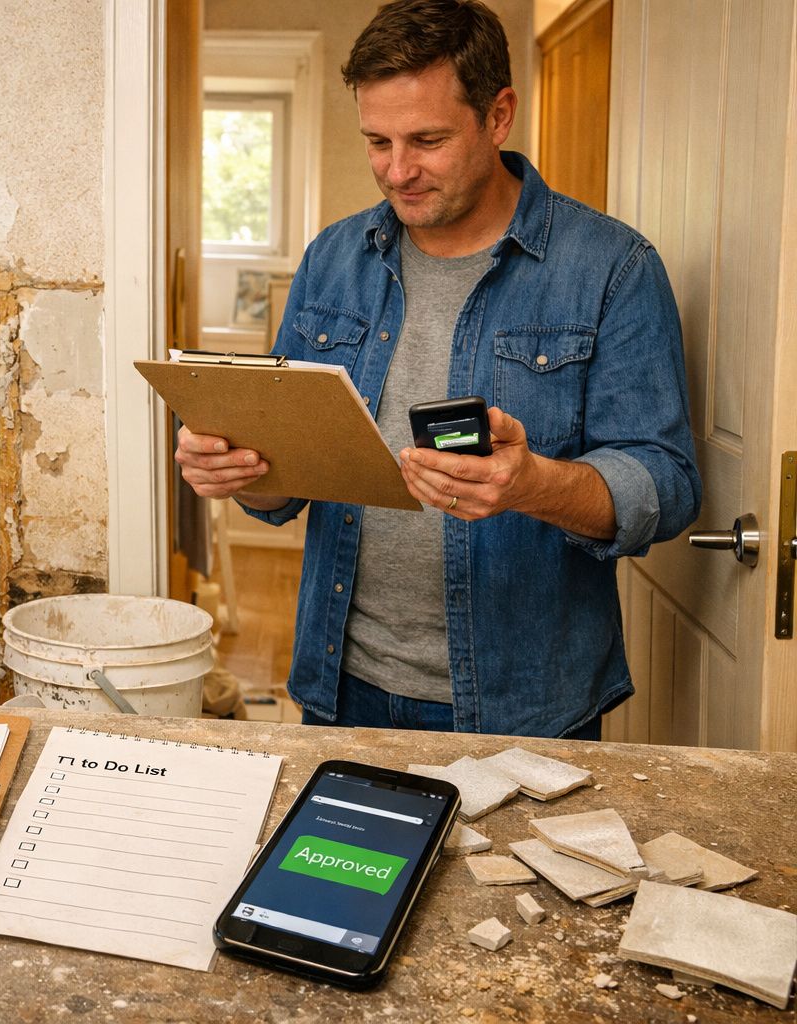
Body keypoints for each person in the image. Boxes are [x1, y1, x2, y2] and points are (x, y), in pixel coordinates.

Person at [175, 0, 700, 738]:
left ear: (499, 114)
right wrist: (239, 474)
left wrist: (533, 484)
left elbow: (668, 484)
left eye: (427, 139)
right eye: (377, 141)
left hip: (530, 705)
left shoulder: (612, 268)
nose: (397, 170)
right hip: (339, 684)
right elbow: (282, 488)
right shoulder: (333, 258)